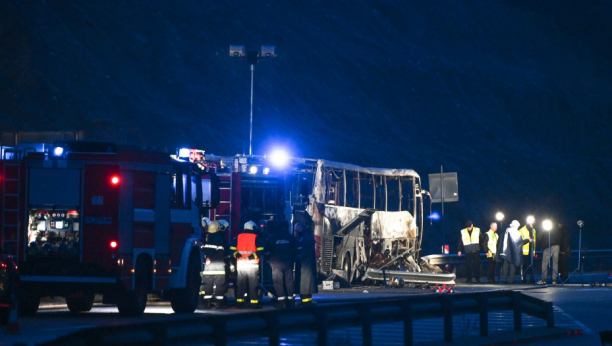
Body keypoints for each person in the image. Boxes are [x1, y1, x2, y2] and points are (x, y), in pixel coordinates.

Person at [265, 220, 299, 309]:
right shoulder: (290, 237)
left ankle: (282, 303)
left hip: (276, 263)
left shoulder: (271, 237)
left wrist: (268, 260)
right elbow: (297, 249)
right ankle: (291, 302)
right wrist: (293, 260)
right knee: (289, 282)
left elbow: (265, 251)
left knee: (278, 283)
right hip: (288, 263)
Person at [230, 221, 265, 308]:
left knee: (241, 285)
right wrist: (251, 257)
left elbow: (231, 249)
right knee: (253, 285)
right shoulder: (256, 237)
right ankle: (254, 303)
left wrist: (237, 255)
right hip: (252, 265)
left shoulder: (238, 237)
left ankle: (239, 303)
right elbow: (261, 250)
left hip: (241, 265)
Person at [200, 220, 229, 309]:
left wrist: (207, 259)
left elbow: (203, 251)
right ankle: (219, 304)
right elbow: (224, 253)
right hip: (219, 265)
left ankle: (207, 303)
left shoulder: (206, 238)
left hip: (208, 266)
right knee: (220, 284)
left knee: (208, 284)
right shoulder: (221, 239)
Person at [294, 222, 317, 306]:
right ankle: (306, 301)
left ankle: (306, 302)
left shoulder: (305, 238)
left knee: (305, 284)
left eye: (297, 230)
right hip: (305, 264)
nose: (296, 232)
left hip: (305, 265)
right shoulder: (306, 237)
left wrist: (295, 258)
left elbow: (303, 252)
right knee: (305, 284)